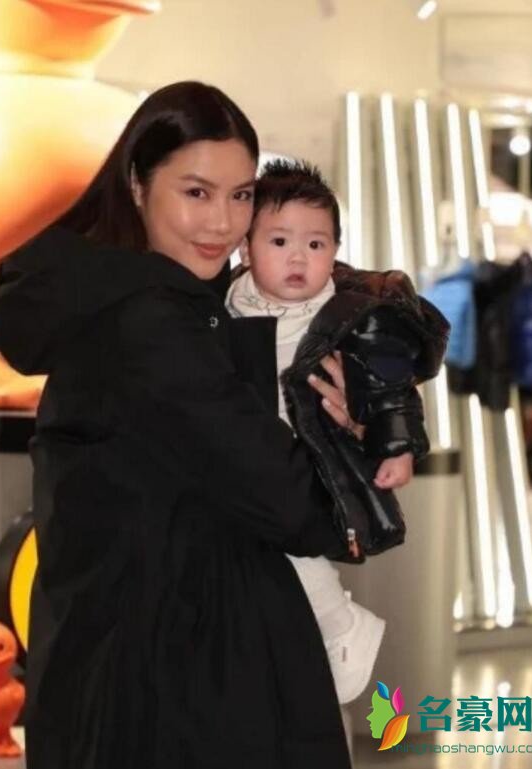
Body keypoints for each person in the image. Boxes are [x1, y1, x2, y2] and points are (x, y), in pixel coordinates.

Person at [0, 82, 363, 769]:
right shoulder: (151, 323)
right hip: (180, 688)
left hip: (119, 669)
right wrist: (346, 449)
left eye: (241, 195)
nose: (222, 222)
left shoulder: (110, 300)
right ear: (137, 183)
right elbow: (291, 501)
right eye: (196, 192)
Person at [226, 160, 435, 705]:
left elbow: (390, 387)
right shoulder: (223, 307)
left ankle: (340, 625)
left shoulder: (349, 318)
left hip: (316, 461)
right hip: (249, 460)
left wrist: (396, 447)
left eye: (316, 244)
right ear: (245, 248)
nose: (298, 258)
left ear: (336, 250)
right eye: (279, 241)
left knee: (296, 550)